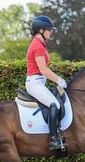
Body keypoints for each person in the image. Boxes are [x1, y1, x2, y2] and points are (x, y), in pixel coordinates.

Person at [26, 15, 67, 150]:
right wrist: (58, 79)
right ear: (41, 30)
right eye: (49, 30)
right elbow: (43, 69)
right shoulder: (37, 46)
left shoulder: (40, 44)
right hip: (35, 83)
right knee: (54, 104)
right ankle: (54, 139)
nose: (51, 32)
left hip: (39, 82)